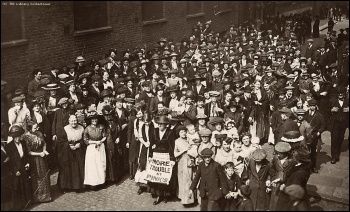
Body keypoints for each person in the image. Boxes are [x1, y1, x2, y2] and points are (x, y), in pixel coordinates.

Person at [148, 115, 176, 205]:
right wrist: (150, 155)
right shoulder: (155, 131)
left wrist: (172, 159)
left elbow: (172, 146)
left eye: (162, 124)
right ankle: (158, 195)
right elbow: (151, 143)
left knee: (165, 177)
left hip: (165, 157)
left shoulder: (170, 132)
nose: (160, 126)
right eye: (159, 124)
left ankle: (165, 195)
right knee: (157, 176)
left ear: (166, 125)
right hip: (156, 156)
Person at [23, 121, 51, 203]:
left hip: (42, 158)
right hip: (34, 159)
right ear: (30, 129)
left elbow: (44, 143)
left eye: (37, 127)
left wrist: (44, 151)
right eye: (35, 128)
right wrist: (39, 154)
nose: (37, 129)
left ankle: (46, 196)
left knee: (44, 175)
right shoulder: (26, 137)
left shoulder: (39, 133)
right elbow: (28, 152)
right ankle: (37, 197)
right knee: (36, 177)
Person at [5, 125, 32, 210]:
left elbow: (26, 156)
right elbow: (10, 162)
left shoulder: (23, 143)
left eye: (18, 136)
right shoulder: (9, 147)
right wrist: (15, 170)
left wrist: (27, 163)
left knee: (24, 185)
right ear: (12, 137)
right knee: (16, 187)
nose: (17, 138)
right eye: (15, 137)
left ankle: (25, 203)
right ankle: (17, 206)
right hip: (15, 170)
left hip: (23, 168)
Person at [56, 115, 85, 192]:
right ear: (69, 121)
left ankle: (78, 186)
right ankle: (67, 187)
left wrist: (80, 144)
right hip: (68, 151)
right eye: (72, 121)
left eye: (75, 120)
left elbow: (84, 139)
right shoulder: (65, 129)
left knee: (79, 166)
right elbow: (61, 141)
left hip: (79, 150)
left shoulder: (81, 128)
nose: (74, 122)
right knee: (67, 168)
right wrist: (68, 146)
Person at [174, 125, 195, 205]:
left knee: (189, 179)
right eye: (181, 132)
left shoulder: (189, 140)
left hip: (189, 161)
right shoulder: (177, 141)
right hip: (181, 162)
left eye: (184, 132)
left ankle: (189, 200)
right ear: (179, 133)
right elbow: (175, 154)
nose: (183, 133)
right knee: (182, 179)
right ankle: (182, 197)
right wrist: (184, 150)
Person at [102, 105, 122, 184]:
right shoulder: (103, 122)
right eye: (106, 115)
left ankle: (116, 177)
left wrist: (119, 137)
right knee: (107, 159)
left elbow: (119, 130)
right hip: (106, 143)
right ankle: (109, 178)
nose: (108, 117)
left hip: (115, 142)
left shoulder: (116, 120)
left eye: (109, 115)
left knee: (115, 158)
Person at [305, 99, 326, 173]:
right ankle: (306, 167)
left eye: (313, 106)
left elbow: (323, 125)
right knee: (305, 151)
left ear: (315, 106)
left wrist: (319, 132)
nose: (312, 107)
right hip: (306, 135)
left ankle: (313, 166)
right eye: (311, 106)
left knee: (313, 151)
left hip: (314, 135)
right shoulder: (305, 114)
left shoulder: (319, 115)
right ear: (309, 106)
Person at [329, 88, 349, 164]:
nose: (340, 95)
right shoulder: (332, 101)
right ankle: (334, 157)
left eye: (342, 93)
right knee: (334, 139)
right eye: (339, 93)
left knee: (340, 138)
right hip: (335, 123)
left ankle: (337, 153)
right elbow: (326, 110)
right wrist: (331, 110)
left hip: (343, 123)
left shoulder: (347, 101)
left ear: (344, 94)